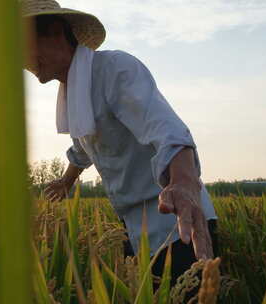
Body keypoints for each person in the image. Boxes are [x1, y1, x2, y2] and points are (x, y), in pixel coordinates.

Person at [21, 0, 219, 288]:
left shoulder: (114, 69)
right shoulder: (73, 92)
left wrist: (184, 181)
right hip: (135, 229)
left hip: (178, 223)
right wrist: (66, 181)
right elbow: (82, 149)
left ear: (54, 31)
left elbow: (165, 128)